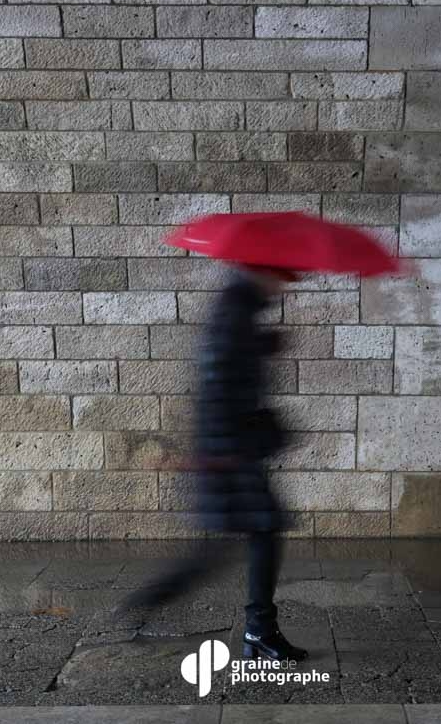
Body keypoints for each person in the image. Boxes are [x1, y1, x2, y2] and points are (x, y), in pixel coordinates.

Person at [116, 263, 307, 662]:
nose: (283, 287)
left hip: (232, 449)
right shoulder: (235, 311)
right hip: (230, 451)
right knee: (256, 532)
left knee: (239, 538)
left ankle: (249, 627)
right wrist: (227, 452)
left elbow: (230, 368)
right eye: (280, 277)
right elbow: (217, 382)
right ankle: (255, 630)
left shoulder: (239, 310)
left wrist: (262, 344)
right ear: (261, 272)